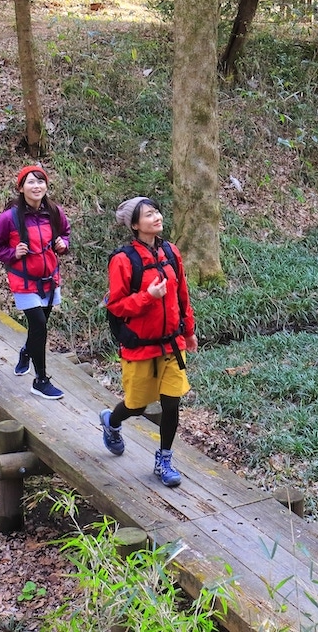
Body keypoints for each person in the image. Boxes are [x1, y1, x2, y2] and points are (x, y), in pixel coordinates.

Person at [99, 196, 198, 487]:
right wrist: (148, 297)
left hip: (171, 344)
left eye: (157, 211)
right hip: (140, 345)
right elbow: (116, 305)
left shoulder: (171, 252)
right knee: (137, 405)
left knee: (171, 403)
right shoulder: (123, 260)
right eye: (148, 214)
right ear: (134, 225)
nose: (156, 217)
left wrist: (189, 331)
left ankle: (164, 460)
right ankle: (111, 422)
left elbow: (182, 295)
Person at [0, 164, 71, 400]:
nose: (36, 186)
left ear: (46, 185)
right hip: (24, 281)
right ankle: (40, 380)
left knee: (37, 328)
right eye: (31, 182)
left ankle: (26, 352)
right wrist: (13, 253)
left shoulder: (54, 211)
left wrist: (63, 244)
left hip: (50, 279)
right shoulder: (9, 218)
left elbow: (65, 232)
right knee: (40, 325)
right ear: (21, 188)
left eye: (40, 181)